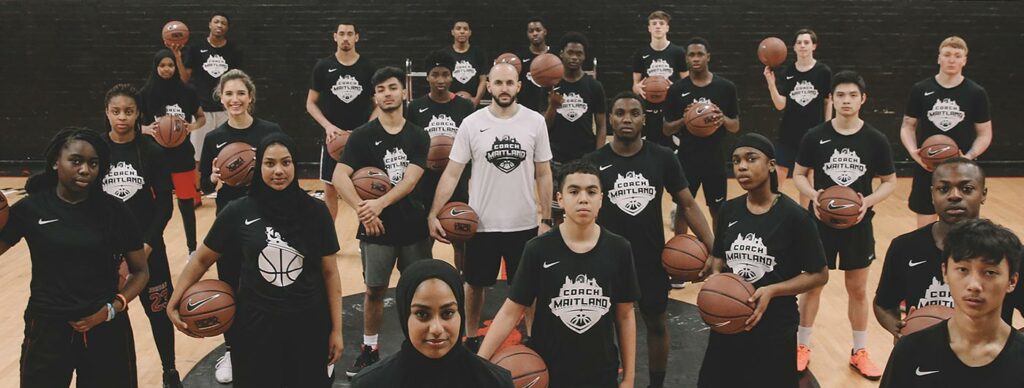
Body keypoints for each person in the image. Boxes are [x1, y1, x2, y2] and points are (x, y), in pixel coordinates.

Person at [168, 134, 344, 387]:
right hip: (255, 326)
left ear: (296, 165)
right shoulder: (238, 211)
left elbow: (330, 273)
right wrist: (174, 300)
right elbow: (201, 260)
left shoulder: (316, 213)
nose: (279, 171)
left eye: (286, 162)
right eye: (270, 163)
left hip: (307, 324)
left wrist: (336, 330)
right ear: (258, 166)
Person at [0, 128, 150, 388]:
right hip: (48, 326)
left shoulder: (115, 211)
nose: (85, 170)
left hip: (104, 326)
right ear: (56, 162)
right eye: (76, 161)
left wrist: (113, 308)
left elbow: (140, 271)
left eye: (93, 163)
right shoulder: (31, 208)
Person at [584, 92, 713, 388]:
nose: (626, 118)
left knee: (655, 323)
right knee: (601, 329)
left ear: (644, 118)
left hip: (650, 257)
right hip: (604, 259)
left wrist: (712, 246)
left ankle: (656, 384)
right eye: (619, 113)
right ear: (611, 118)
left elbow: (689, 204)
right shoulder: (594, 162)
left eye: (633, 113)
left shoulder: (663, 157)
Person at [477, 160, 639, 388]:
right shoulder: (538, 248)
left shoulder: (619, 248)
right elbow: (510, 312)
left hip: (601, 373)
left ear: (601, 198)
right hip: (548, 371)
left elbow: (625, 316)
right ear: (560, 199)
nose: (583, 198)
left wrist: (629, 378)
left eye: (591, 191)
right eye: (574, 191)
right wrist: (479, 364)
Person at [427, 62, 553, 352]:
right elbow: (452, 172)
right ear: (490, 87)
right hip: (481, 223)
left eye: (510, 83)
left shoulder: (535, 122)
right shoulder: (472, 123)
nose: (504, 88)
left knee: (528, 289)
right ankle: (471, 338)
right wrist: (434, 212)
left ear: (519, 86)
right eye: (498, 83)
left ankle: (533, 339)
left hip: (524, 223)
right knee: (474, 285)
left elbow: (544, 173)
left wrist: (545, 218)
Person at [697, 133, 828, 388]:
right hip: (729, 321)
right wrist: (714, 276)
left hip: (774, 327)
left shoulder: (795, 218)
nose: (742, 166)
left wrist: (772, 290)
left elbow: (819, 274)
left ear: (771, 165)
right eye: (736, 161)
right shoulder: (728, 210)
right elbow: (718, 257)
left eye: (751, 158)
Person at [791, 70, 896, 378]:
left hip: (858, 224)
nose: (846, 100)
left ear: (862, 99)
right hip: (820, 224)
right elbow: (798, 174)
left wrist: (866, 202)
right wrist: (814, 195)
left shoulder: (875, 139)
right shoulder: (815, 135)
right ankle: (802, 345)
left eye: (852, 95)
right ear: (832, 99)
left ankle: (859, 351)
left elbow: (890, 181)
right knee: (812, 286)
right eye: (840, 95)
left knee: (858, 290)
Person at [332, 66, 432, 377]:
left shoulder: (418, 135)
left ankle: (418, 348)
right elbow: (339, 176)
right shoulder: (362, 136)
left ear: (404, 92)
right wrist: (363, 209)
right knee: (374, 290)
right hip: (375, 228)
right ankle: (369, 349)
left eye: (392, 87)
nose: (387, 93)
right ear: (375, 96)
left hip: (413, 227)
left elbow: (411, 180)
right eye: (381, 89)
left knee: (417, 290)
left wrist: (378, 204)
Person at [197, 68, 283, 383]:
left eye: (240, 93)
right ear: (221, 97)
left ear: (250, 97)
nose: (235, 99)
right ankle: (234, 351)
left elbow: (284, 174)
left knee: (271, 284)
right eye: (229, 93)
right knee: (231, 286)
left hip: (267, 218)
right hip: (229, 221)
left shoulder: (270, 131)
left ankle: (273, 348)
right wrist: (215, 180)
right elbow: (204, 183)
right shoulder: (214, 138)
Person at [875, 158, 1024, 336]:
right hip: (925, 358)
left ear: (983, 194)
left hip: (987, 361)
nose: (954, 195)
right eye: (943, 189)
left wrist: (1010, 348)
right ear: (932, 194)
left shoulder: (1008, 251)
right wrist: (899, 332)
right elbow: (883, 304)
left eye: (966, 189)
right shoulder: (904, 247)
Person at [100, 84, 181, 387]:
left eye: (129, 112)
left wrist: (144, 247)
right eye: (116, 111)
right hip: (106, 250)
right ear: (107, 113)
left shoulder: (151, 151)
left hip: (147, 247)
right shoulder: (95, 149)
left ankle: (170, 370)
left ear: (138, 114)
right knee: (110, 315)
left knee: (158, 311)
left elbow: (164, 206)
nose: (122, 117)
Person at [880, 218, 1024, 387]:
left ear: (1012, 281)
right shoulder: (911, 350)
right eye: (963, 270)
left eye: (990, 272)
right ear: (945, 272)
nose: (974, 285)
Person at [351, 259, 515, 388]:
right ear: (404, 315)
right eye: (422, 314)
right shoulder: (370, 384)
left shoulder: (495, 382)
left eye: (447, 313)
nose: (436, 328)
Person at [901, 36, 992, 228]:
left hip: (963, 171)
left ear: (964, 60)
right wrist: (913, 152)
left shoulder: (976, 92)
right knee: (925, 227)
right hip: (928, 166)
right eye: (947, 54)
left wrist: (969, 157)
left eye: (957, 55)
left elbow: (985, 133)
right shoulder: (921, 89)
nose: (952, 59)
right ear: (938, 58)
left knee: (963, 229)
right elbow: (908, 126)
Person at [406, 50, 475, 270]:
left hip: (456, 180)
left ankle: (463, 279)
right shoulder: (415, 107)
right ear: (427, 77)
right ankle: (424, 280)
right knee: (426, 237)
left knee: (461, 236)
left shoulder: (465, 107)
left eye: (445, 74)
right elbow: (411, 145)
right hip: (426, 180)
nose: (441, 80)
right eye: (435, 74)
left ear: (452, 76)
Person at [663, 37, 740, 230]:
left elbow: (735, 126)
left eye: (700, 54)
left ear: (708, 57)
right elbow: (666, 128)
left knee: (717, 210)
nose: (695, 58)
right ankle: (679, 253)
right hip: (687, 158)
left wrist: (722, 118)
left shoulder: (725, 87)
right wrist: (686, 119)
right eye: (691, 55)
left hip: (715, 158)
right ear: (686, 59)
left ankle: (718, 254)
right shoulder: (677, 89)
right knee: (683, 208)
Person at [138, 49, 206, 255]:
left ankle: (192, 249)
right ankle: (151, 247)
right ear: (156, 67)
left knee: (186, 204)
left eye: (170, 65)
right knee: (156, 206)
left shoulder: (188, 91)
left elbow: (201, 117)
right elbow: (135, 124)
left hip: (182, 155)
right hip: (155, 156)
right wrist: (147, 129)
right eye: (162, 65)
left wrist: (191, 127)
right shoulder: (145, 93)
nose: (167, 69)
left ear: (176, 67)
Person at [307, 22, 377, 221]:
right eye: (341, 34)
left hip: (361, 138)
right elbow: (310, 103)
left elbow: (378, 105)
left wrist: (365, 129)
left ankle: (366, 236)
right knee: (330, 189)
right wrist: (328, 126)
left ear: (357, 37)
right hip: (334, 139)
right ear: (335, 37)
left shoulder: (368, 67)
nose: (345, 38)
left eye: (349, 34)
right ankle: (329, 241)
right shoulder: (323, 67)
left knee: (366, 187)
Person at [174, 12, 243, 191]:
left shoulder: (233, 50)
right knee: (197, 153)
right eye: (216, 21)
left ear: (227, 28)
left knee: (230, 151)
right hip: (202, 109)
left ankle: (231, 185)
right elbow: (184, 78)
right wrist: (177, 57)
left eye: (224, 23)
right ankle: (197, 190)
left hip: (225, 108)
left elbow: (237, 79)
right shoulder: (197, 48)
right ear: (210, 25)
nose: (220, 25)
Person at [762, 29, 832, 205]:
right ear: (794, 47)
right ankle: (772, 210)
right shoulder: (788, 72)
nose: (802, 45)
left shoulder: (823, 71)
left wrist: (828, 127)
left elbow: (828, 102)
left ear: (814, 46)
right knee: (779, 171)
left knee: (807, 175)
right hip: (789, 130)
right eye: (799, 42)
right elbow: (780, 104)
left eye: (806, 42)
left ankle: (805, 217)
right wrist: (771, 84)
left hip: (813, 132)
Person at [545, 31, 606, 226]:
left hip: (585, 157)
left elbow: (603, 124)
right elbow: (543, 126)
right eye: (570, 52)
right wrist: (552, 106)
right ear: (561, 54)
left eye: (579, 53)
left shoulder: (594, 86)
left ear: (584, 56)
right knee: (556, 210)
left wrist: (598, 156)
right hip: (557, 157)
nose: (574, 57)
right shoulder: (550, 85)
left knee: (586, 209)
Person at [631, 10, 687, 149]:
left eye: (661, 23)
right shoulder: (641, 53)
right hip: (648, 111)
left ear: (667, 27)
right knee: (648, 148)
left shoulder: (678, 52)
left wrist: (675, 88)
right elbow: (635, 86)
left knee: (672, 150)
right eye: (654, 23)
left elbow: (687, 83)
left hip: (671, 110)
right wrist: (637, 88)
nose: (657, 26)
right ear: (649, 28)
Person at [443, 19, 489, 107]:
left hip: (473, 103)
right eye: (458, 28)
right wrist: (448, 98)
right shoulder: (445, 54)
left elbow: (483, 80)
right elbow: (442, 80)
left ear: (470, 32)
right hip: (449, 102)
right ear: (453, 32)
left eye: (465, 29)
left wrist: (476, 99)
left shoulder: (478, 53)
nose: (462, 31)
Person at [515, 16, 550, 112]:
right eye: (531, 31)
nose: (535, 33)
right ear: (527, 34)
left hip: (551, 109)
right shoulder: (520, 58)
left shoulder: (554, 57)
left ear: (545, 32)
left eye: (538, 30)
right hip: (526, 109)